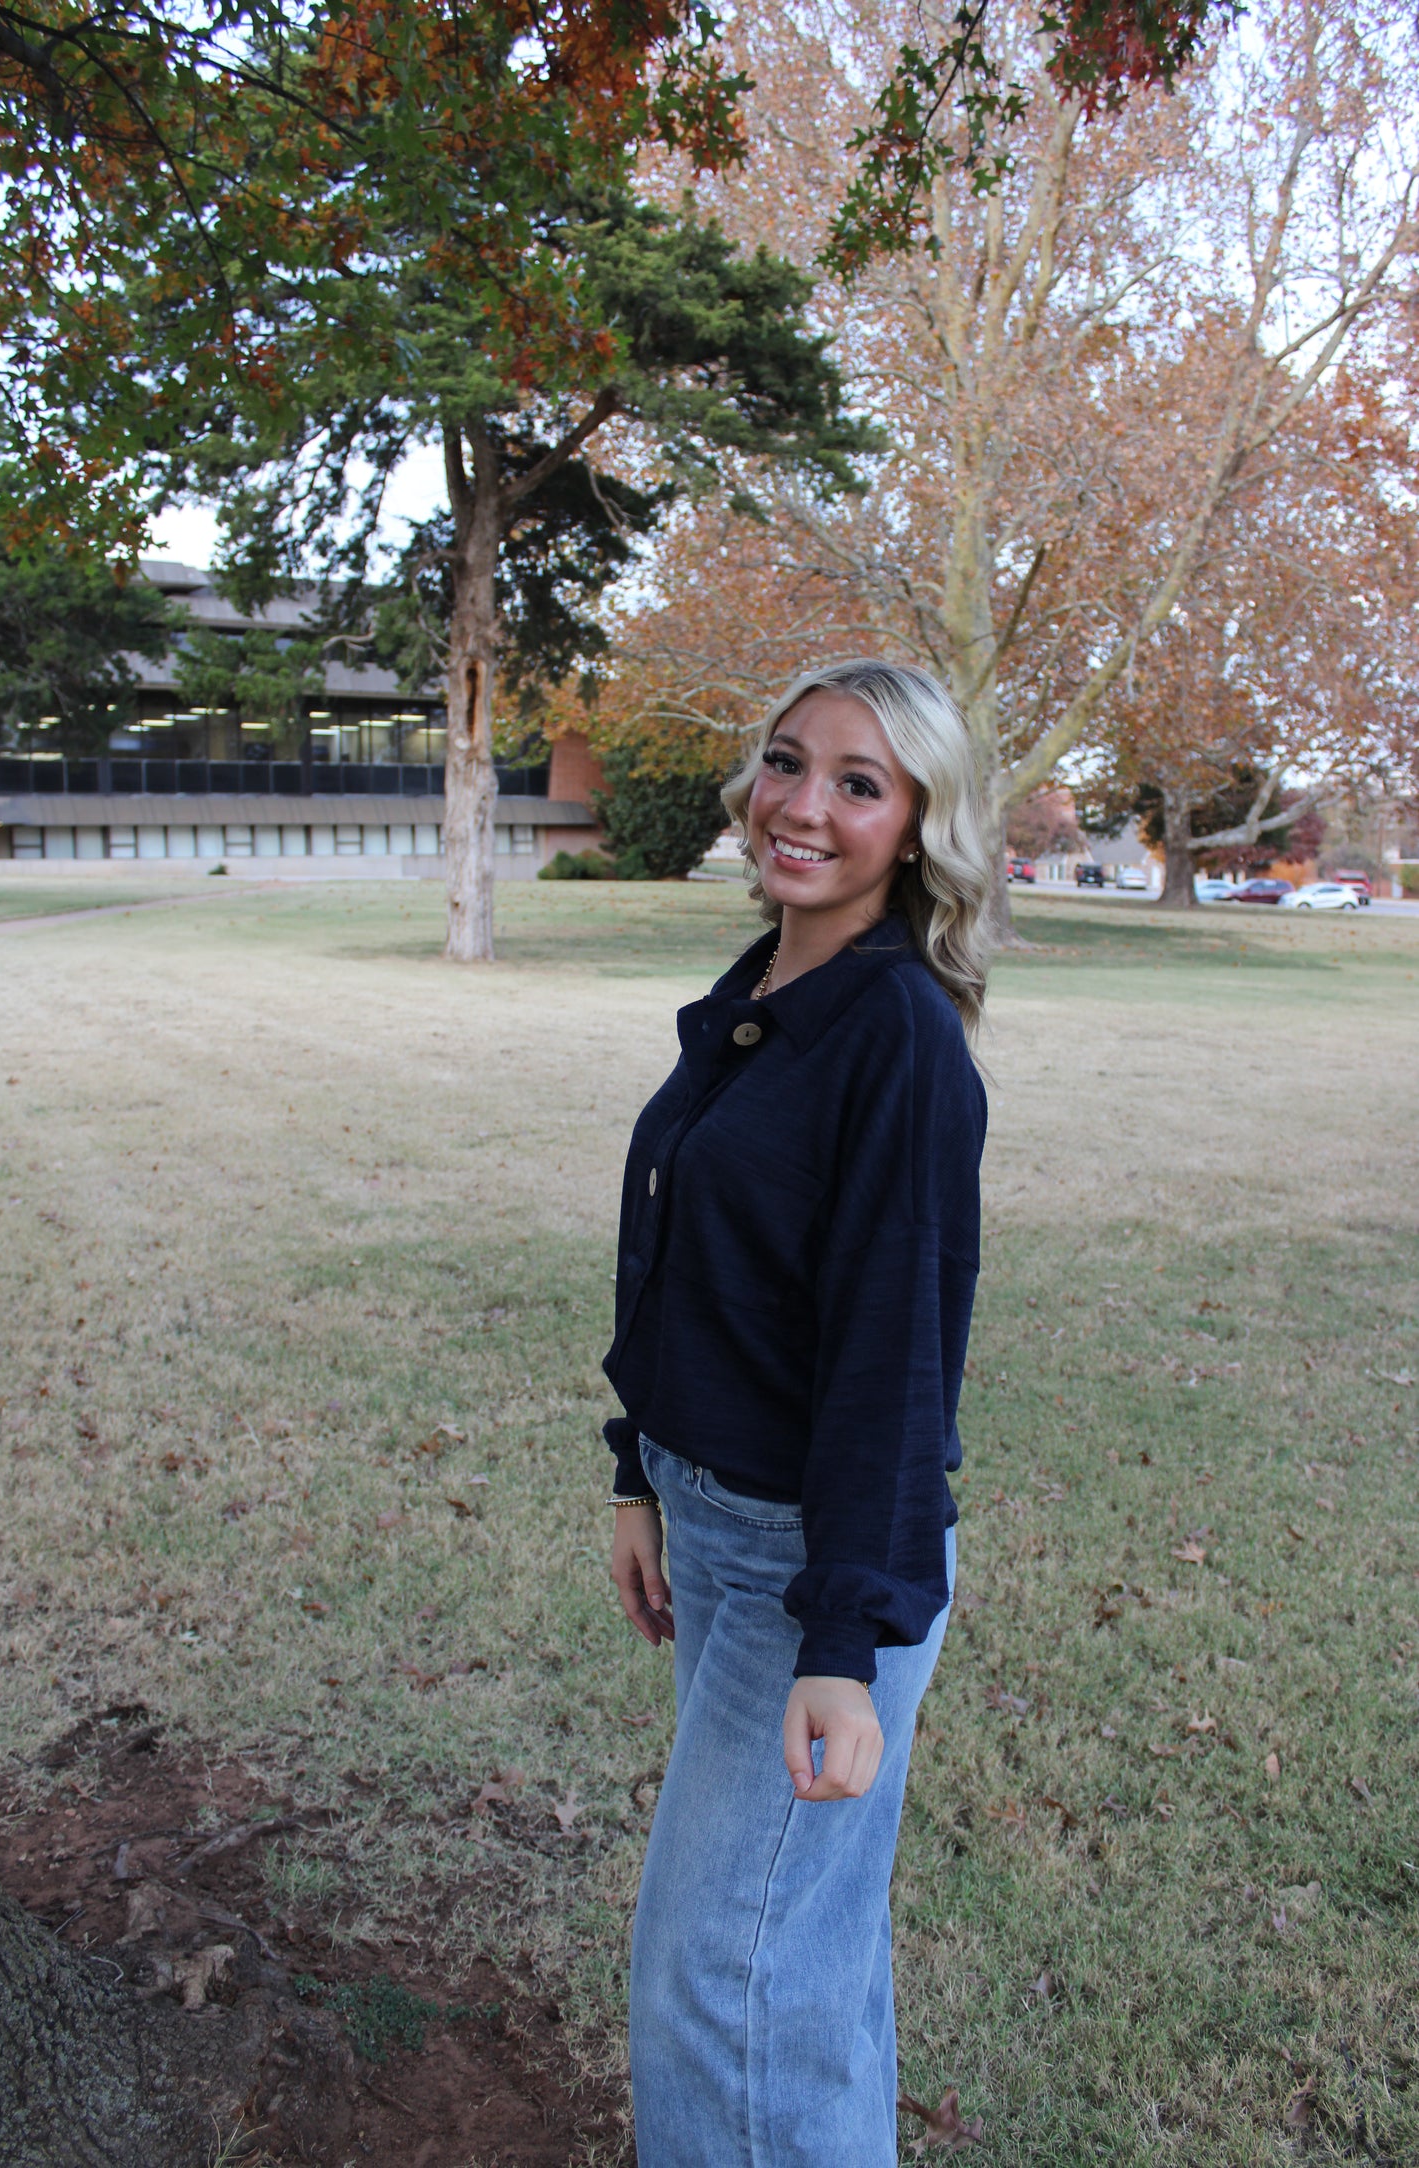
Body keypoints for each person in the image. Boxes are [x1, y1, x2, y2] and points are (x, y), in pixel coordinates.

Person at [603, 658, 989, 2167]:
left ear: (916, 829)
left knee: (717, 1975)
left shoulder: (893, 1037)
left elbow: (895, 1359)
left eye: (857, 782)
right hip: (712, 1526)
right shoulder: (761, 993)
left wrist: (840, 1645)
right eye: (784, 763)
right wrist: (635, 1470)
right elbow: (685, 1263)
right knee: (794, 1964)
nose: (801, 805)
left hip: (807, 1564)